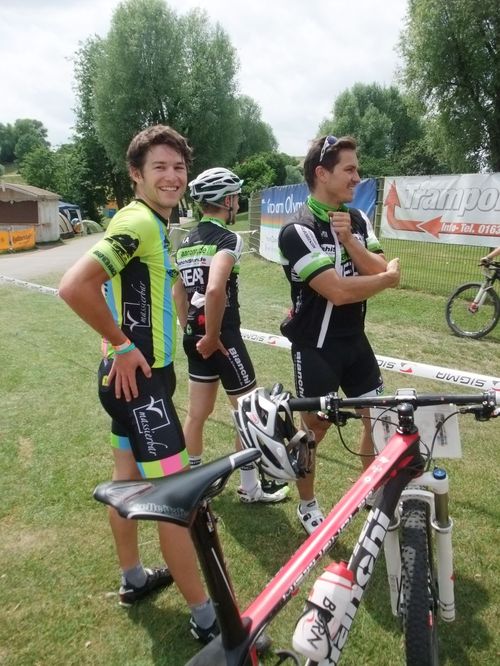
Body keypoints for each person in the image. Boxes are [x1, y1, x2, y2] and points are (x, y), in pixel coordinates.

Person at [58, 125, 218, 644]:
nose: (172, 177)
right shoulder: (137, 220)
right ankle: (208, 620)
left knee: (127, 476)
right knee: (175, 502)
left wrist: (122, 343)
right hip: (139, 383)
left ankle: (132, 578)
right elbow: (75, 285)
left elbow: (116, 289)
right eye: (160, 168)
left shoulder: (153, 223)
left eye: (178, 167)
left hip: (136, 379)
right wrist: (123, 345)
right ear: (136, 175)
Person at [277, 135, 401, 535]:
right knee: (314, 431)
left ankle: (371, 493)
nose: (357, 177)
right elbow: (338, 291)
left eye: (357, 169)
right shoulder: (297, 229)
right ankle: (308, 504)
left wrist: (349, 241)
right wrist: (385, 280)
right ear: (322, 173)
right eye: (349, 169)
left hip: (355, 342)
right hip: (316, 347)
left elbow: (377, 264)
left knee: (378, 419)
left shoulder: (359, 219)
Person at [173, 167, 289, 503]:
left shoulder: (186, 241)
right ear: (226, 200)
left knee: (197, 414)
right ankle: (250, 487)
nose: (236, 201)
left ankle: (193, 484)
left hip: (195, 336)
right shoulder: (228, 238)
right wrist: (211, 335)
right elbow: (214, 289)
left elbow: (178, 293)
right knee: (248, 413)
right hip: (221, 337)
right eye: (235, 196)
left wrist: (191, 330)